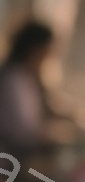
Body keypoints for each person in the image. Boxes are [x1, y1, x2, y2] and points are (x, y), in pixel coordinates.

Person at [0, 20, 61, 159]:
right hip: (10, 159)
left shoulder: (27, 78)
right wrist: (55, 135)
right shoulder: (11, 80)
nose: (48, 58)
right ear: (34, 49)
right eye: (46, 51)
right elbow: (22, 132)